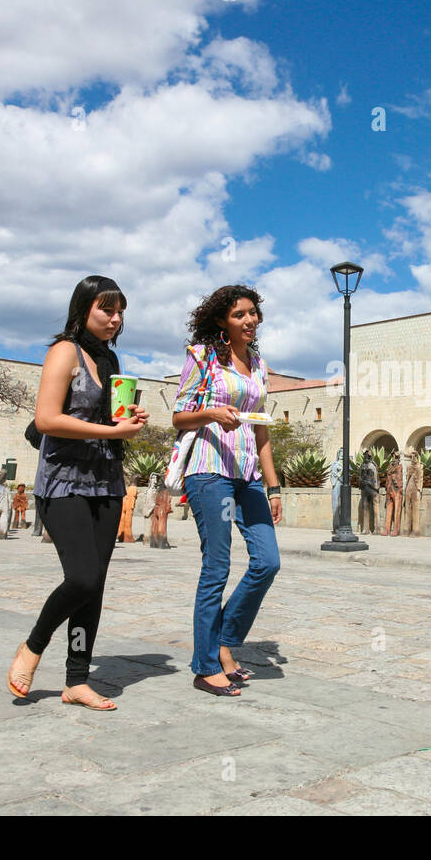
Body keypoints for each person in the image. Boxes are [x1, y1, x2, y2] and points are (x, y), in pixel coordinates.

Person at [7, 276, 147, 711]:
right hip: (63, 481)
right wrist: (109, 428)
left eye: (120, 310)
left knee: (95, 585)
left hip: (106, 480)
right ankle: (33, 645)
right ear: (84, 308)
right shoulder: (65, 351)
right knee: (82, 577)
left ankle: (77, 680)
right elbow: (47, 419)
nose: (115, 318)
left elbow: (106, 418)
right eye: (107, 309)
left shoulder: (110, 358)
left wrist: (130, 418)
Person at [172, 285, 281, 697]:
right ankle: (205, 666)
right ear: (222, 321)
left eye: (253, 313)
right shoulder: (201, 358)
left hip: (249, 475)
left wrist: (274, 487)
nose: (249, 320)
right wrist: (211, 413)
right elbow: (179, 417)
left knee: (267, 562)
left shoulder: (258, 364)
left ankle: (223, 642)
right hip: (209, 471)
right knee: (216, 568)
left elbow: (262, 428)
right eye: (239, 314)